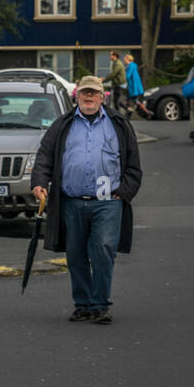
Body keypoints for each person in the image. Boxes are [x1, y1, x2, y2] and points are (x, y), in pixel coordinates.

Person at [30, 76, 143, 325]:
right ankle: (82, 305)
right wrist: (39, 182)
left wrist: (123, 192)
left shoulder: (119, 124)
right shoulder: (62, 125)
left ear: (103, 97)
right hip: (71, 201)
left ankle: (100, 304)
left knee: (103, 248)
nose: (89, 97)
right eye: (84, 93)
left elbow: (134, 165)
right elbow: (44, 156)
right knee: (76, 254)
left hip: (108, 201)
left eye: (94, 93)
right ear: (77, 96)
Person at [124, 53, 147, 119]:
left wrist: (123, 81)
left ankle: (128, 116)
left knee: (132, 101)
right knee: (135, 101)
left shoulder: (130, 66)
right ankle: (128, 115)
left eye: (125, 59)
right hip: (137, 87)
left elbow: (128, 76)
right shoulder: (133, 66)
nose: (124, 61)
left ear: (128, 59)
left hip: (133, 87)